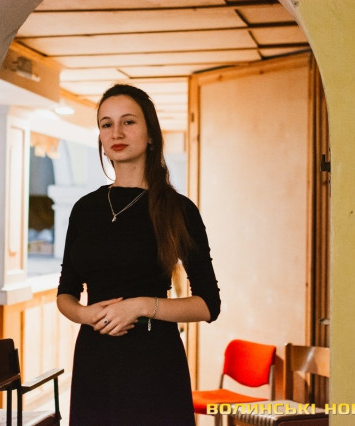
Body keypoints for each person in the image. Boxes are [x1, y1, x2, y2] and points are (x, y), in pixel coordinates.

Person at [57, 84, 221, 425]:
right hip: (94, 360)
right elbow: (65, 292)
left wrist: (141, 305)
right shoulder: (84, 209)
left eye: (128, 122)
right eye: (106, 124)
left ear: (150, 135)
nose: (116, 132)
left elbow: (208, 305)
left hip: (153, 361)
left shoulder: (178, 209)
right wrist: (84, 314)